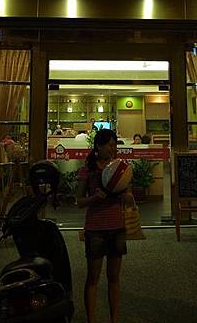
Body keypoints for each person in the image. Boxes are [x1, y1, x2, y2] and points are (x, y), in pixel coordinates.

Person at [76, 129, 130, 323]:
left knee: (114, 277)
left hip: (117, 226)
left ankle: (114, 319)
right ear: (99, 146)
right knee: (93, 278)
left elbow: (128, 196)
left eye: (115, 145)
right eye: (110, 145)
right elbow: (79, 201)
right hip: (95, 228)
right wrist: (94, 198)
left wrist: (127, 197)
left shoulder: (120, 169)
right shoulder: (88, 170)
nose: (113, 149)